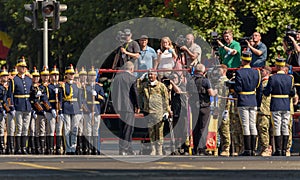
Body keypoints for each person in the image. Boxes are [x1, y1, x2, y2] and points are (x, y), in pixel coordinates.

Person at [263, 58, 296, 156]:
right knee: (285, 126)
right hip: (285, 104)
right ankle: (284, 149)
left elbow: (267, 92)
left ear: (277, 66)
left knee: (277, 126)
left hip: (275, 104)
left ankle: (278, 150)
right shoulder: (290, 78)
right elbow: (292, 93)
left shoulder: (273, 78)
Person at [186, 63, 218, 155]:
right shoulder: (205, 81)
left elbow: (188, 94)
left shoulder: (190, 80)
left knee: (195, 127)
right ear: (203, 71)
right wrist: (216, 91)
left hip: (194, 106)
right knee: (203, 127)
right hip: (204, 106)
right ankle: (202, 148)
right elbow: (211, 93)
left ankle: (195, 148)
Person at [234, 52, 262, 156]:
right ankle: (253, 149)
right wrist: (258, 102)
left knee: (245, 125)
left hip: (243, 100)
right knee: (252, 125)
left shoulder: (239, 72)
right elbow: (259, 89)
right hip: (253, 100)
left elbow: (238, 88)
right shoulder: (256, 72)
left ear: (242, 60)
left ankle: (247, 150)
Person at [138, 69, 172, 155]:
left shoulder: (161, 86)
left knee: (159, 132)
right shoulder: (145, 85)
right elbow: (138, 90)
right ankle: (153, 149)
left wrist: (167, 111)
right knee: (151, 131)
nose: (150, 76)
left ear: (155, 75)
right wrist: (140, 79)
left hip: (159, 112)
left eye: (152, 74)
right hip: (148, 111)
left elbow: (166, 99)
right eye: (149, 75)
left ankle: (159, 149)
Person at [111, 61, 140, 155]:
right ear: (132, 69)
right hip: (129, 106)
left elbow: (114, 92)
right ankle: (125, 148)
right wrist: (137, 105)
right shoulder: (132, 78)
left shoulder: (117, 78)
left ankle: (126, 148)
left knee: (122, 128)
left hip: (119, 106)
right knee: (128, 128)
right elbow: (135, 93)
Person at [7, 57, 32, 154]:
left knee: (26, 128)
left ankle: (23, 147)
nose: (23, 68)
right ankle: (18, 148)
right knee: (19, 127)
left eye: (24, 67)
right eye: (21, 67)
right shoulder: (14, 80)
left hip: (27, 106)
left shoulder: (29, 80)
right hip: (18, 106)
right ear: (17, 68)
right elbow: (10, 95)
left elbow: (31, 93)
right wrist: (12, 107)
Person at [61, 64, 83, 155]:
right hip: (66, 107)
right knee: (67, 129)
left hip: (76, 108)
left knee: (74, 129)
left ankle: (73, 147)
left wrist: (81, 109)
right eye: (70, 74)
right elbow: (61, 99)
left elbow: (80, 98)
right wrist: (60, 111)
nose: (72, 76)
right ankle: (68, 148)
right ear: (66, 75)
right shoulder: (63, 86)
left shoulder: (77, 85)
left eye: (73, 74)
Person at [83, 67, 105, 155]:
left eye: (93, 76)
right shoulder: (86, 87)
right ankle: (88, 148)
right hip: (88, 110)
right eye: (90, 76)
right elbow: (82, 98)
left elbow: (103, 99)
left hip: (96, 110)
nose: (92, 77)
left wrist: (97, 96)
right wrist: (87, 110)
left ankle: (95, 149)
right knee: (88, 130)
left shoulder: (98, 87)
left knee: (95, 130)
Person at [47, 65, 64, 155]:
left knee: (59, 129)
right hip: (52, 110)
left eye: (56, 75)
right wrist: (51, 109)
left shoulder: (60, 87)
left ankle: (58, 147)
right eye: (53, 75)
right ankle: (50, 147)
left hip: (59, 110)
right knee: (51, 129)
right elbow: (46, 99)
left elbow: (62, 100)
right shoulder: (48, 87)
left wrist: (60, 110)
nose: (55, 77)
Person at [257, 66, 273, 156]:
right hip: (265, 109)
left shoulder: (266, 82)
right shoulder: (262, 82)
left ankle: (266, 148)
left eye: (262, 71)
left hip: (265, 109)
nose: (261, 72)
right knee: (263, 129)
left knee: (263, 128)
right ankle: (264, 147)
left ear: (267, 72)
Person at [0, 67, 9, 154]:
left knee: (9, 129)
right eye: (3, 76)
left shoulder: (9, 86)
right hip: (1, 110)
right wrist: (2, 109)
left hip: (9, 110)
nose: (5, 77)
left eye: (6, 76)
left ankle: (8, 145)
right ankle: (2, 146)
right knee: (2, 128)